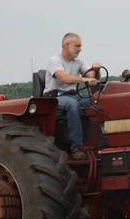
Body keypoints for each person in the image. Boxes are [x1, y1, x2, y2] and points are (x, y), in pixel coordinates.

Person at [43, 32, 101, 160]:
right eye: (77, 46)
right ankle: (76, 148)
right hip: (54, 97)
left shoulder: (78, 62)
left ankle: (100, 141)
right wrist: (84, 80)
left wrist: (96, 69)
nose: (80, 49)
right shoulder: (55, 61)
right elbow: (64, 78)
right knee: (72, 104)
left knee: (97, 99)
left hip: (74, 95)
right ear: (66, 45)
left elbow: (91, 77)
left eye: (80, 46)